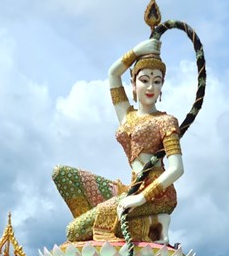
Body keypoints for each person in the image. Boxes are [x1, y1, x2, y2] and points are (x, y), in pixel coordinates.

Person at [53, 38, 183, 245]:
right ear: (133, 84)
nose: (150, 86)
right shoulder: (126, 115)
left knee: (73, 232)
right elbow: (113, 74)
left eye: (157, 81)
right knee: (62, 175)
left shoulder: (166, 121)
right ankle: (139, 223)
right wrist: (137, 51)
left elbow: (177, 169)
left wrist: (142, 198)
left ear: (162, 87)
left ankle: (149, 220)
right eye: (144, 80)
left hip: (157, 195)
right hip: (130, 187)